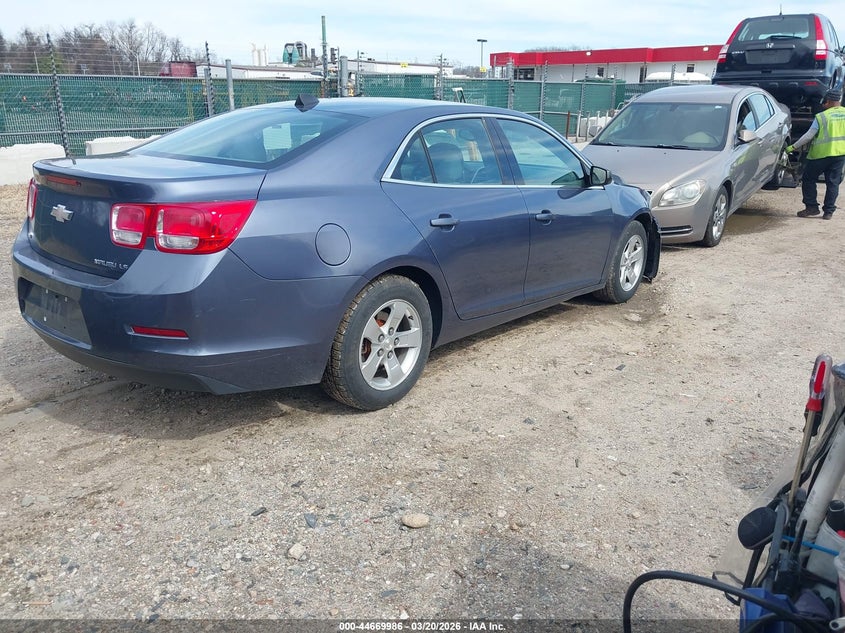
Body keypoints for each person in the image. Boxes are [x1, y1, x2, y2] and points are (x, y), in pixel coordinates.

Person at [787, 89, 845, 219]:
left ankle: (812, 207)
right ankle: (829, 212)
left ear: (829, 101)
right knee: (833, 183)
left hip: (820, 156)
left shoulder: (822, 117)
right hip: (840, 155)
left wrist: (792, 147)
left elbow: (808, 136)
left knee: (808, 179)